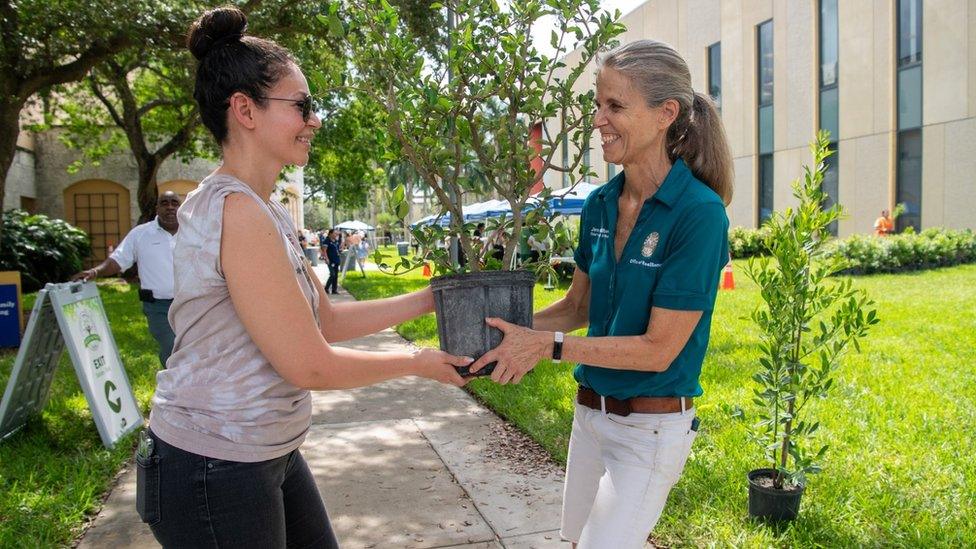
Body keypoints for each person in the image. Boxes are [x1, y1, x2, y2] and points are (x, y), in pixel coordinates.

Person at [137, 8, 471, 547]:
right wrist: (418, 364)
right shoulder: (236, 212)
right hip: (212, 462)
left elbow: (327, 320)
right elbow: (309, 363)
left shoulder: (264, 208)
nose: (314, 120)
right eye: (302, 106)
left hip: (265, 450)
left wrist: (431, 299)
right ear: (244, 109)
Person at [469, 40, 733, 548]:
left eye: (614, 106)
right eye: (597, 105)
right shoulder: (600, 203)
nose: (597, 120)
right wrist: (498, 330)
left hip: (649, 431)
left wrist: (547, 347)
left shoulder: (698, 214)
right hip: (589, 418)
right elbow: (577, 308)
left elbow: (659, 350)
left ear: (666, 115)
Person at [71, 191, 182, 368]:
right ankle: (175, 387)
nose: (170, 207)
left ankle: (189, 387)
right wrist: (95, 271)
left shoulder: (194, 232)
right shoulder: (140, 234)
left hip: (191, 303)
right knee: (172, 347)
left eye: (174, 203)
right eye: (164, 203)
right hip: (158, 306)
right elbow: (117, 260)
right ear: (157, 208)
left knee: (194, 349)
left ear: (181, 207)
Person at [324, 229, 341, 294]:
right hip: (330, 261)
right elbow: (324, 251)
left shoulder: (335, 241)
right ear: (330, 233)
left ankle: (334, 290)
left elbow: (337, 249)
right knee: (332, 274)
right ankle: (326, 288)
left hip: (336, 260)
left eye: (336, 234)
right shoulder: (327, 240)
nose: (336, 235)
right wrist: (326, 259)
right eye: (335, 233)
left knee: (336, 275)